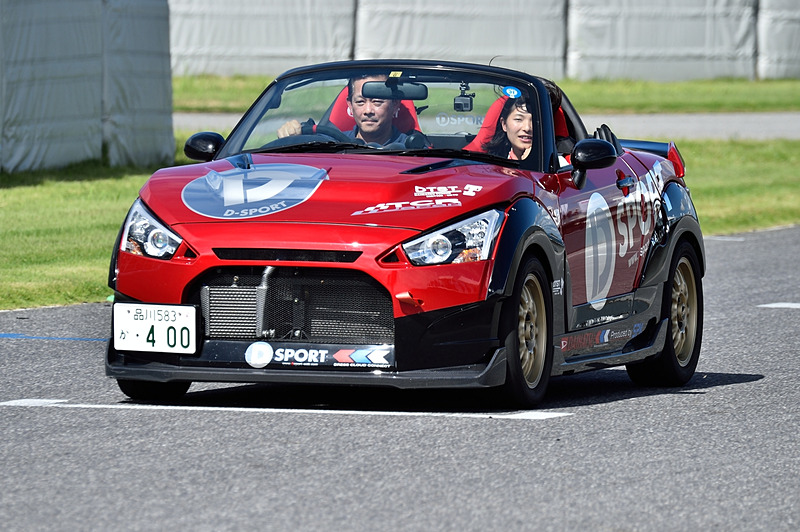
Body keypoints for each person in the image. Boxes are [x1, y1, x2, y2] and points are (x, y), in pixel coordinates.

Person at [277, 74, 408, 146]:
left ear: (395, 104)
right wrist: (290, 137)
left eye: (377, 102)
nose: (368, 110)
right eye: (360, 102)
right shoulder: (330, 145)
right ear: (350, 105)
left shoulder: (415, 150)